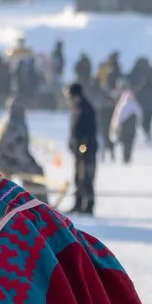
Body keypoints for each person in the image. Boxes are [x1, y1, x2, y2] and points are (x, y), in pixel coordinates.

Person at [67, 83, 98, 215]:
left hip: (87, 149)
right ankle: (78, 203)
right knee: (78, 177)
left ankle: (88, 204)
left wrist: (83, 146)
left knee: (87, 177)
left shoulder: (86, 109)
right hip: (79, 150)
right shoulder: (77, 108)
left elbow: (88, 131)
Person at [111, 84, 141, 164]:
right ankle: (127, 157)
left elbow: (117, 117)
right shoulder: (135, 105)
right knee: (129, 144)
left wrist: (115, 126)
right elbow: (140, 115)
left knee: (125, 144)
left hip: (124, 129)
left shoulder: (122, 106)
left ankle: (125, 158)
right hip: (132, 129)